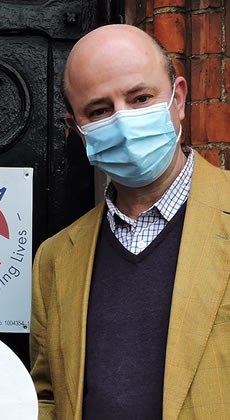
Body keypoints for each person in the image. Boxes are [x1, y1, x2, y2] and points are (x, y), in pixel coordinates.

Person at [30, 24, 230, 419]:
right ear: (78, 130)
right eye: (99, 111)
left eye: (140, 98)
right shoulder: (54, 259)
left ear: (178, 99)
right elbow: (47, 400)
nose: (123, 122)